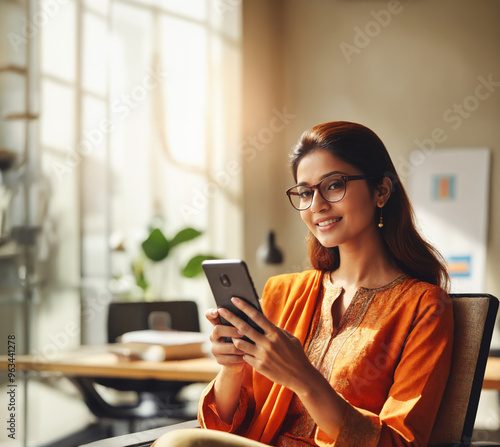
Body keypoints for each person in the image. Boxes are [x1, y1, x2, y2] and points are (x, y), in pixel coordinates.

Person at [153, 121, 454, 447]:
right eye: (306, 192)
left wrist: (304, 379)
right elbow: (219, 427)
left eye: (334, 185)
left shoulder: (425, 306)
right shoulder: (283, 292)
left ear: (380, 190)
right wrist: (231, 367)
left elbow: (400, 443)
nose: (317, 205)